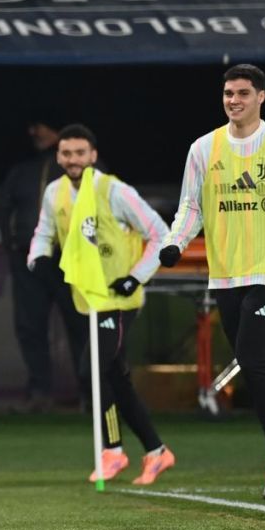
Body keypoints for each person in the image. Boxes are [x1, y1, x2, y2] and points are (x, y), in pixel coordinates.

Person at [160, 64, 265, 499]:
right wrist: (175, 243)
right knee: (260, 366)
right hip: (226, 276)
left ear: (261, 97)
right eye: (228, 93)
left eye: (243, 93)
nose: (234, 100)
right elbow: (191, 206)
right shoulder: (203, 149)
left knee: (255, 362)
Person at [29, 124, 176, 485]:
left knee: (91, 371)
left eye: (80, 153)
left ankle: (113, 450)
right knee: (114, 377)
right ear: (58, 156)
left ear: (93, 155)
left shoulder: (114, 191)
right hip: (87, 300)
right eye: (66, 153)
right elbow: (43, 234)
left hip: (119, 300)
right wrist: (38, 260)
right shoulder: (54, 192)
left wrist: (136, 277)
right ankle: (156, 451)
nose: (73, 160)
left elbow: (160, 233)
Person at [0, 116, 87, 413]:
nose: (35, 132)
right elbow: (4, 209)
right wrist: (12, 246)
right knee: (30, 326)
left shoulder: (84, 169)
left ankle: (89, 393)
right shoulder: (22, 170)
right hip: (31, 260)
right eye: (33, 127)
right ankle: (39, 392)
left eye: (42, 127)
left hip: (71, 259)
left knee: (80, 325)